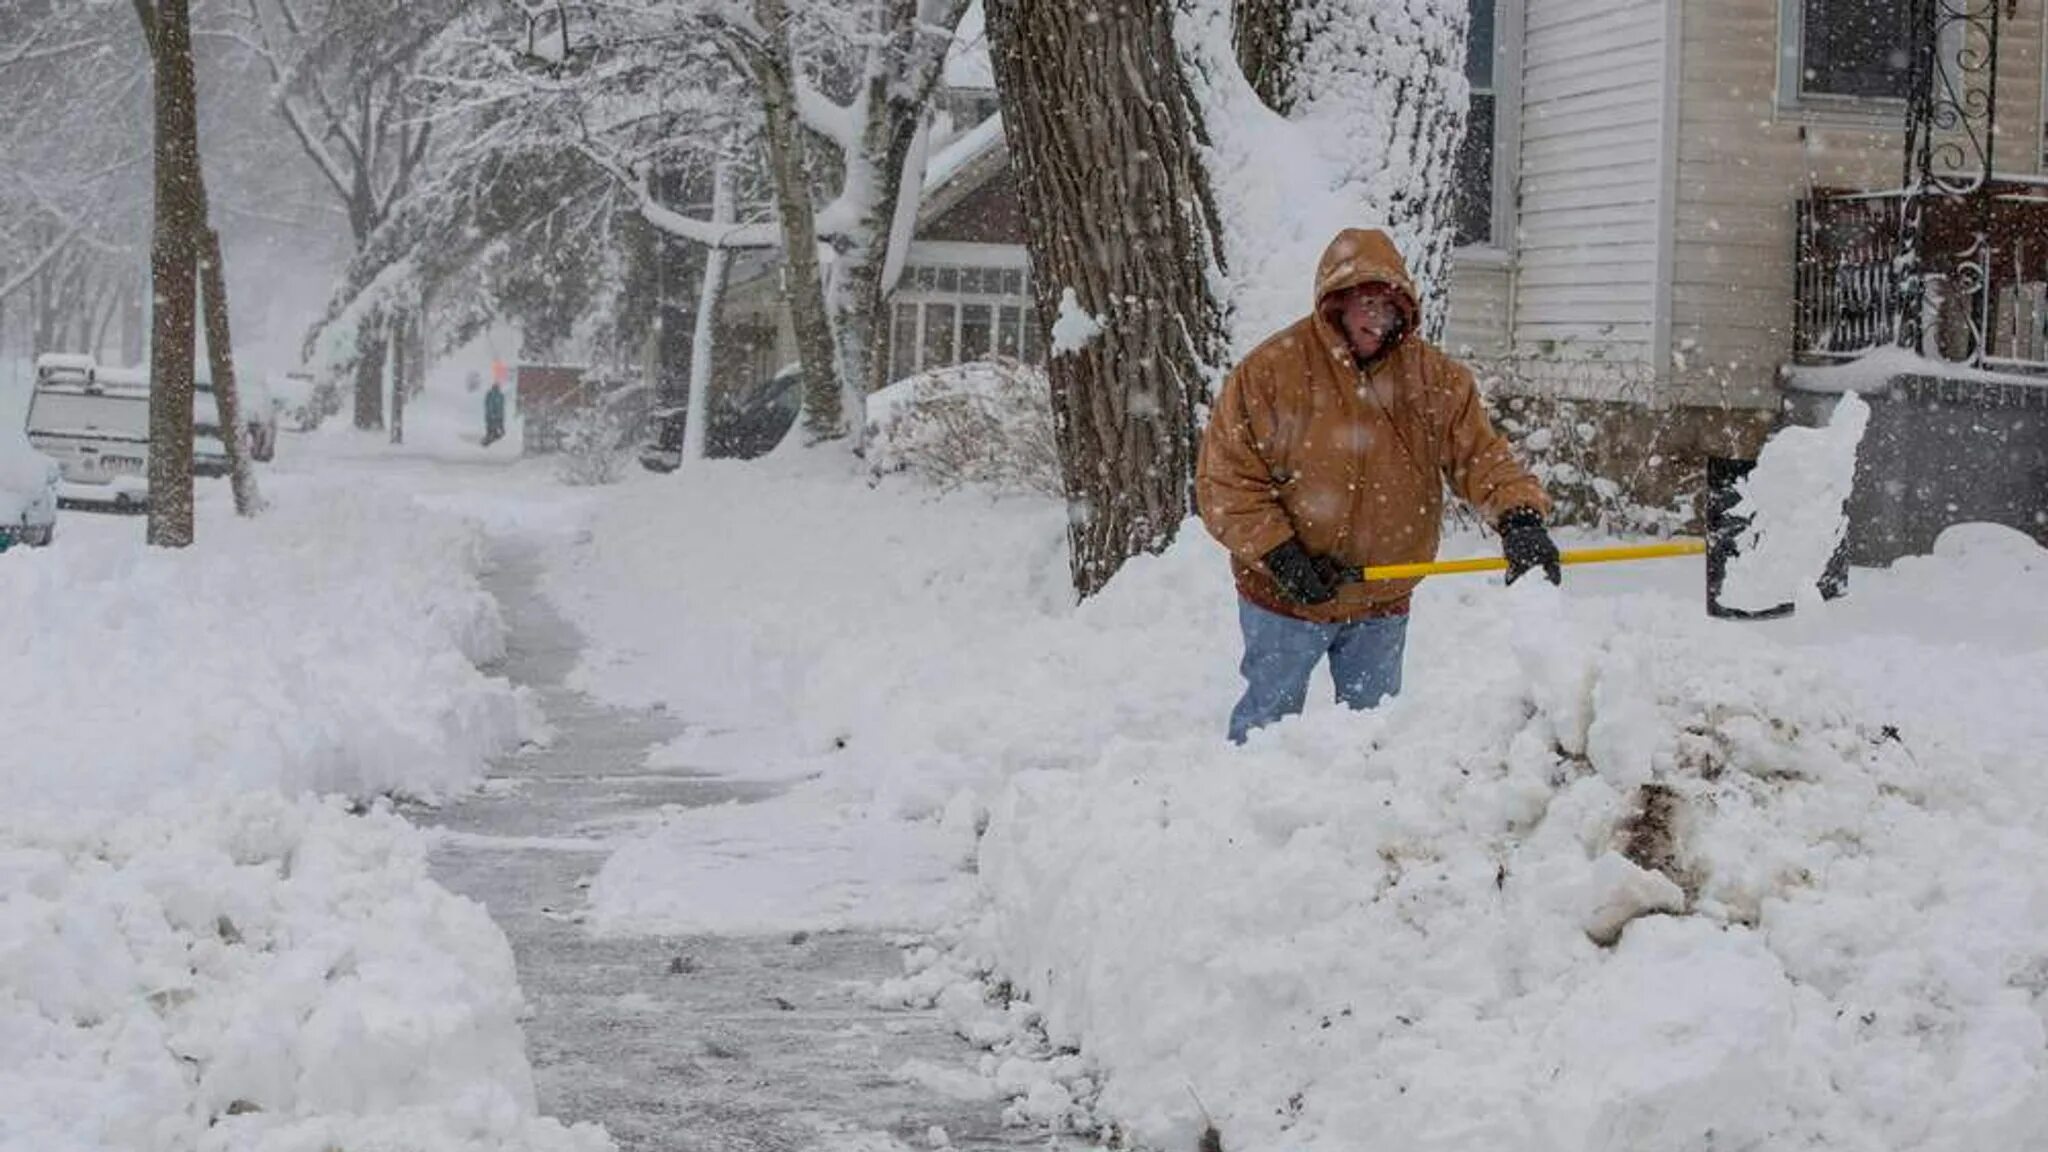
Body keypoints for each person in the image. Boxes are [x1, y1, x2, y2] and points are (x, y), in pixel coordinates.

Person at [1196, 227, 1559, 744]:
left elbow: (1480, 456)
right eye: (1364, 303)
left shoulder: (1435, 381)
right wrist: (1281, 555)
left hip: (1380, 599)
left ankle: (1361, 821)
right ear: (1335, 305)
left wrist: (1520, 519)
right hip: (1284, 598)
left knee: (1374, 739)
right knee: (1266, 730)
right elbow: (1227, 480)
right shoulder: (1270, 372)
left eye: (1389, 306)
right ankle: (1247, 814)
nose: (1376, 317)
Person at [483, 380, 506, 447]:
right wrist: (492, 414)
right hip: (492, 416)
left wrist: (500, 416)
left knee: (498, 431)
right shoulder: (491, 395)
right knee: (491, 430)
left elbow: (501, 407)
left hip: (498, 416)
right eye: (496, 387)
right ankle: (487, 442)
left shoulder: (500, 395)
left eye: (497, 387)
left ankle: (492, 440)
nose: (497, 388)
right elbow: (489, 405)